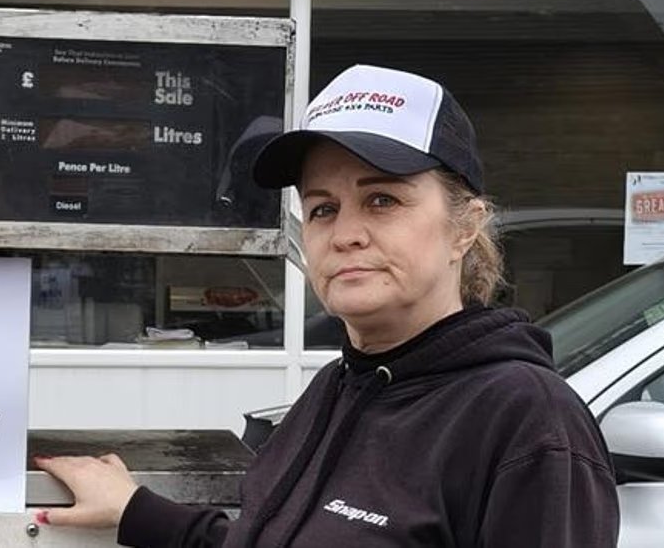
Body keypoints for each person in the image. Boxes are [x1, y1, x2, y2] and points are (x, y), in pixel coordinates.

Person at [33, 64, 621, 547]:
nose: (345, 235)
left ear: (465, 228)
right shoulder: (338, 389)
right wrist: (136, 510)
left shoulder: (527, 422)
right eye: (322, 209)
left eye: (383, 200)